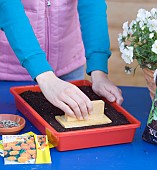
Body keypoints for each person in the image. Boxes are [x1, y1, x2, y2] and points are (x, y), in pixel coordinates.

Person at [0, 0, 123, 120]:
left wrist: (99, 71)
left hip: (69, 67)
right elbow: (8, 7)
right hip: (9, 72)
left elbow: (92, 4)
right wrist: (43, 73)